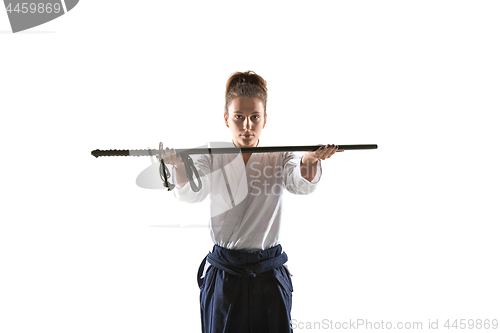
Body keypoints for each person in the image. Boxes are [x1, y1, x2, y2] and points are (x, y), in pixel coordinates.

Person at [159, 71, 342, 333]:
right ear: (226, 119)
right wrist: (179, 166)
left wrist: (309, 160)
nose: (247, 125)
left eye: (255, 117)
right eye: (239, 118)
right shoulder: (210, 154)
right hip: (225, 276)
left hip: (268, 274)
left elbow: (298, 183)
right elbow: (193, 192)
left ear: (265, 119)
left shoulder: (281, 154)